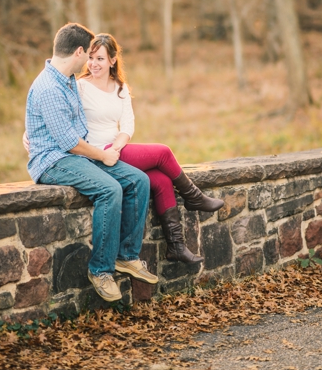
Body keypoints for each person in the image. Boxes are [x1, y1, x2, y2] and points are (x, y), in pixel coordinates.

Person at [25, 23, 157, 303]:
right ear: (79, 51)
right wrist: (104, 155)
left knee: (139, 181)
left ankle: (127, 256)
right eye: (89, 56)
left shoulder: (68, 79)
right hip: (52, 160)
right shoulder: (50, 87)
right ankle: (100, 270)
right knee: (110, 189)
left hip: (77, 155)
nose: (91, 63)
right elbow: (68, 142)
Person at [76, 33, 224, 263]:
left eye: (100, 59)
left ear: (113, 60)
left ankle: (175, 245)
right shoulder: (80, 87)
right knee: (163, 152)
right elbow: (58, 113)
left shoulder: (120, 88)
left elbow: (127, 124)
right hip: (96, 152)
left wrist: (116, 146)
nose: (94, 64)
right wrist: (30, 133)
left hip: (114, 147)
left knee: (162, 181)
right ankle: (193, 196)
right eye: (91, 58)